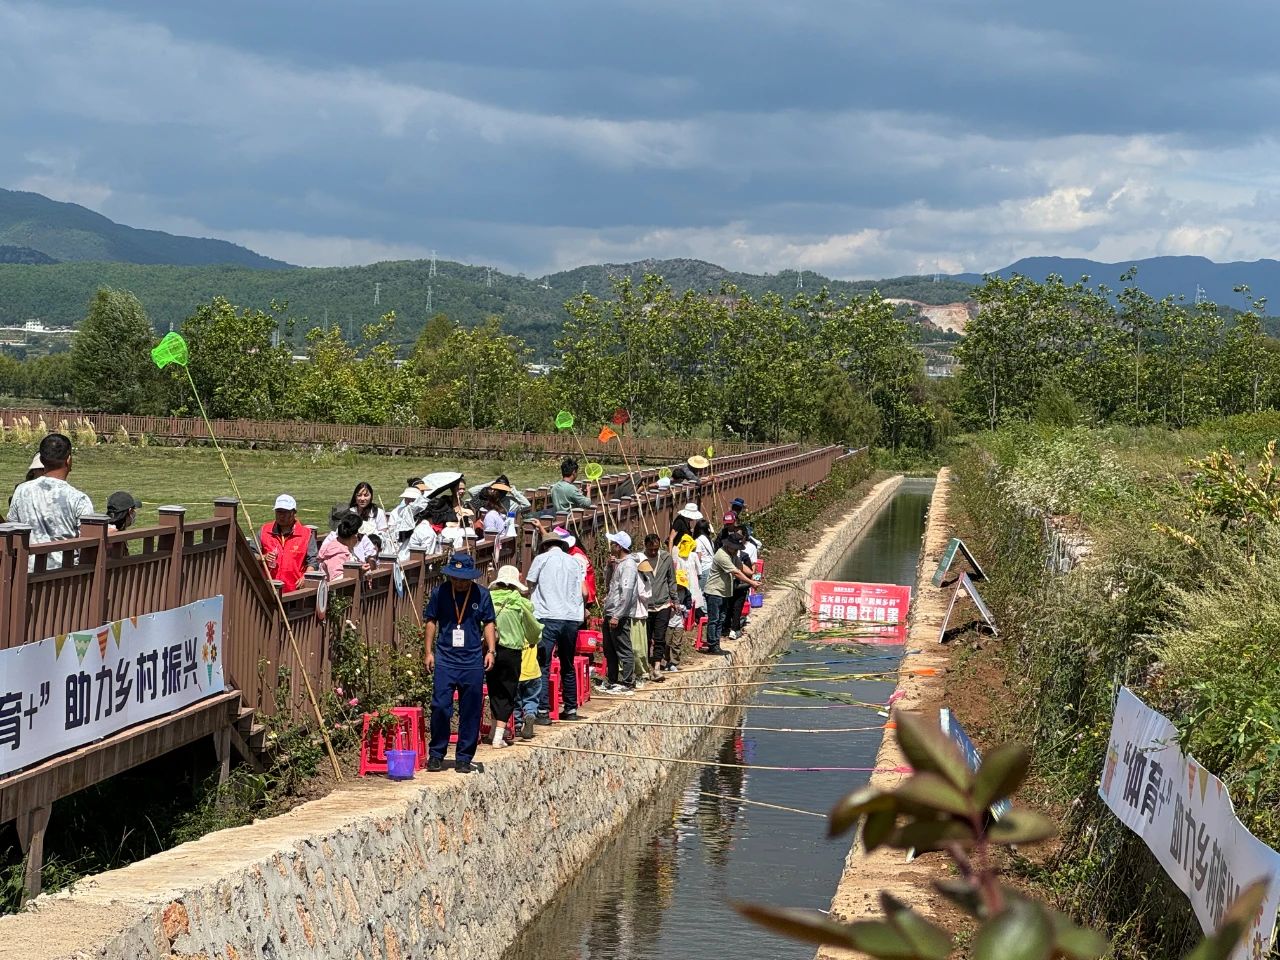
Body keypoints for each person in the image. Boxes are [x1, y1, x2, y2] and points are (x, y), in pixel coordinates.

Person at [423, 552, 497, 774]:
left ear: (471, 578)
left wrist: (491, 650)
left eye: (463, 579)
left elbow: (489, 623)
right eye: (455, 578)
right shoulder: (440, 593)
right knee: (440, 706)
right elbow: (431, 621)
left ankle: (464, 757)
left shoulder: (482, 595)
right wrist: (428, 652)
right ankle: (437, 753)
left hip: (472, 659)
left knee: (471, 710)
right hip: (445, 658)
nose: (459, 583)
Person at [7, 433, 94, 570]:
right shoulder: (79, 499)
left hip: (27, 575)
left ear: (41, 459)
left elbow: (12, 527)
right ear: (69, 459)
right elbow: (88, 546)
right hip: (66, 578)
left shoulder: (22, 491)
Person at [526, 529, 586, 722]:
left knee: (543, 664)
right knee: (568, 663)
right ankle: (571, 709)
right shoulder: (574, 562)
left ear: (544, 546)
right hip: (570, 618)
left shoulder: (541, 560)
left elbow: (530, 582)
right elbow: (583, 591)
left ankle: (543, 711)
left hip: (547, 616)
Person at [488, 565, 542, 745]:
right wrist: (535, 638)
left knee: (494, 689)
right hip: (511, 652)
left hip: (489, 650)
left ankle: (493, 730)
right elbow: (533, 629)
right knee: (508, 691)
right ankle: (498, 737)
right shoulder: (519, 603)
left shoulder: (488, 600)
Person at [703, 531, 759, 655]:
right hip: (714, 591)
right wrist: (751, 582)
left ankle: (716, 643)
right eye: (735, 548)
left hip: (724, 592)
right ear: (729, 545)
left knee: (721, 618)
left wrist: (753, 574)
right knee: (714, 619)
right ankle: (712, 645)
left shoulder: (733, 554)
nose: (736, 551)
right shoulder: (722, 555)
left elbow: (741, 567)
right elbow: (736, 572)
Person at [602, 531, 639, 693]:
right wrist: (609, 566)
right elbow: (609, 584)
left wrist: (617, 615)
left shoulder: (629, 566)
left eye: (613, 544)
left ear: (619, 546)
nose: (611, 547)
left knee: (623, 648)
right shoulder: (619, 563)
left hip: (619, 614)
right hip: (610, 610)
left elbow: (627, 592)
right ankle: (612, 679)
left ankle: (628, 681)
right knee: (609, 649)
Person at [258, 494, 318, 592]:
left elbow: (313, 561)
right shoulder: (264, 531)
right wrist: (263, 557)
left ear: (294, 513)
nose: (281, 515)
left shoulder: (306, 534)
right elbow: (251, 554)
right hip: (268, 590)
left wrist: (306, 577)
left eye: (285, 512)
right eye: (278, 512)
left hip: (295, 590)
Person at [644, 533, 679, 674]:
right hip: (645, 606)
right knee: (645, 637)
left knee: (660, 636)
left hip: (663, 604)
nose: (653, 552)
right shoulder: (639, 559)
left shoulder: (666, 558)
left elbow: (671, 580)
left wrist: (675, 600)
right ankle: (645, 665)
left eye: (655, 549)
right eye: (650, 549)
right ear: (645, 546)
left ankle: (657, 665)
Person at [318, 512, 367, 581]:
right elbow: (337, 580)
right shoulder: (336, 553)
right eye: (360, 537)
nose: (360, 541)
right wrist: (360, 572)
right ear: (354, 536)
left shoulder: (346, 548)